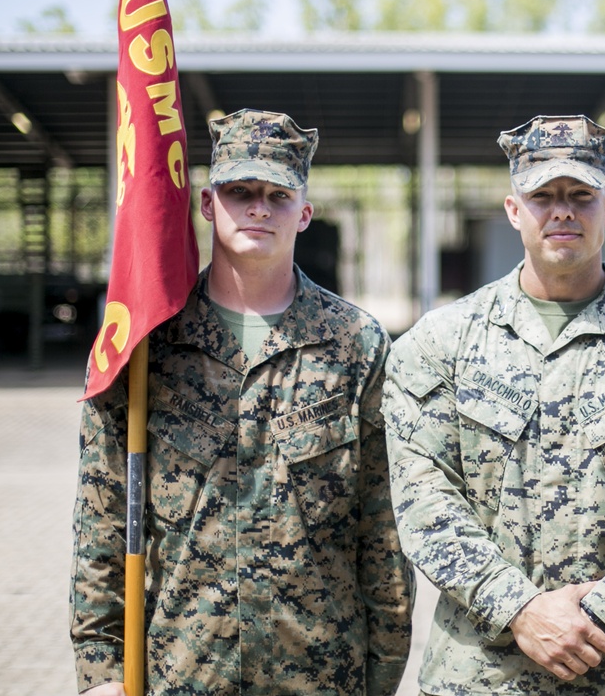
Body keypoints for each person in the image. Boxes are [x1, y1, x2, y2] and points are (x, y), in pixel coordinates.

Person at [381, 114, 605, 695]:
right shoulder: (438, 345)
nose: (563, 210)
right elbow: (425, 500)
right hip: (485, 677)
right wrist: (523, 611)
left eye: (581, 195)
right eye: (543, 195)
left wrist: (598, 618)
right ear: (513, 209)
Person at [71, 108, 414, 696]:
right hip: (179, 672)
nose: (259, 207)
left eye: (278, 195)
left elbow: (383, 529)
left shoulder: (357, 344)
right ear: (208, 204)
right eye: (240, 190)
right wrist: (102, 673)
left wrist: (382, 673)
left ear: (304, 214)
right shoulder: (148, 347)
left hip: (322, 675)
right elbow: (103, 518)